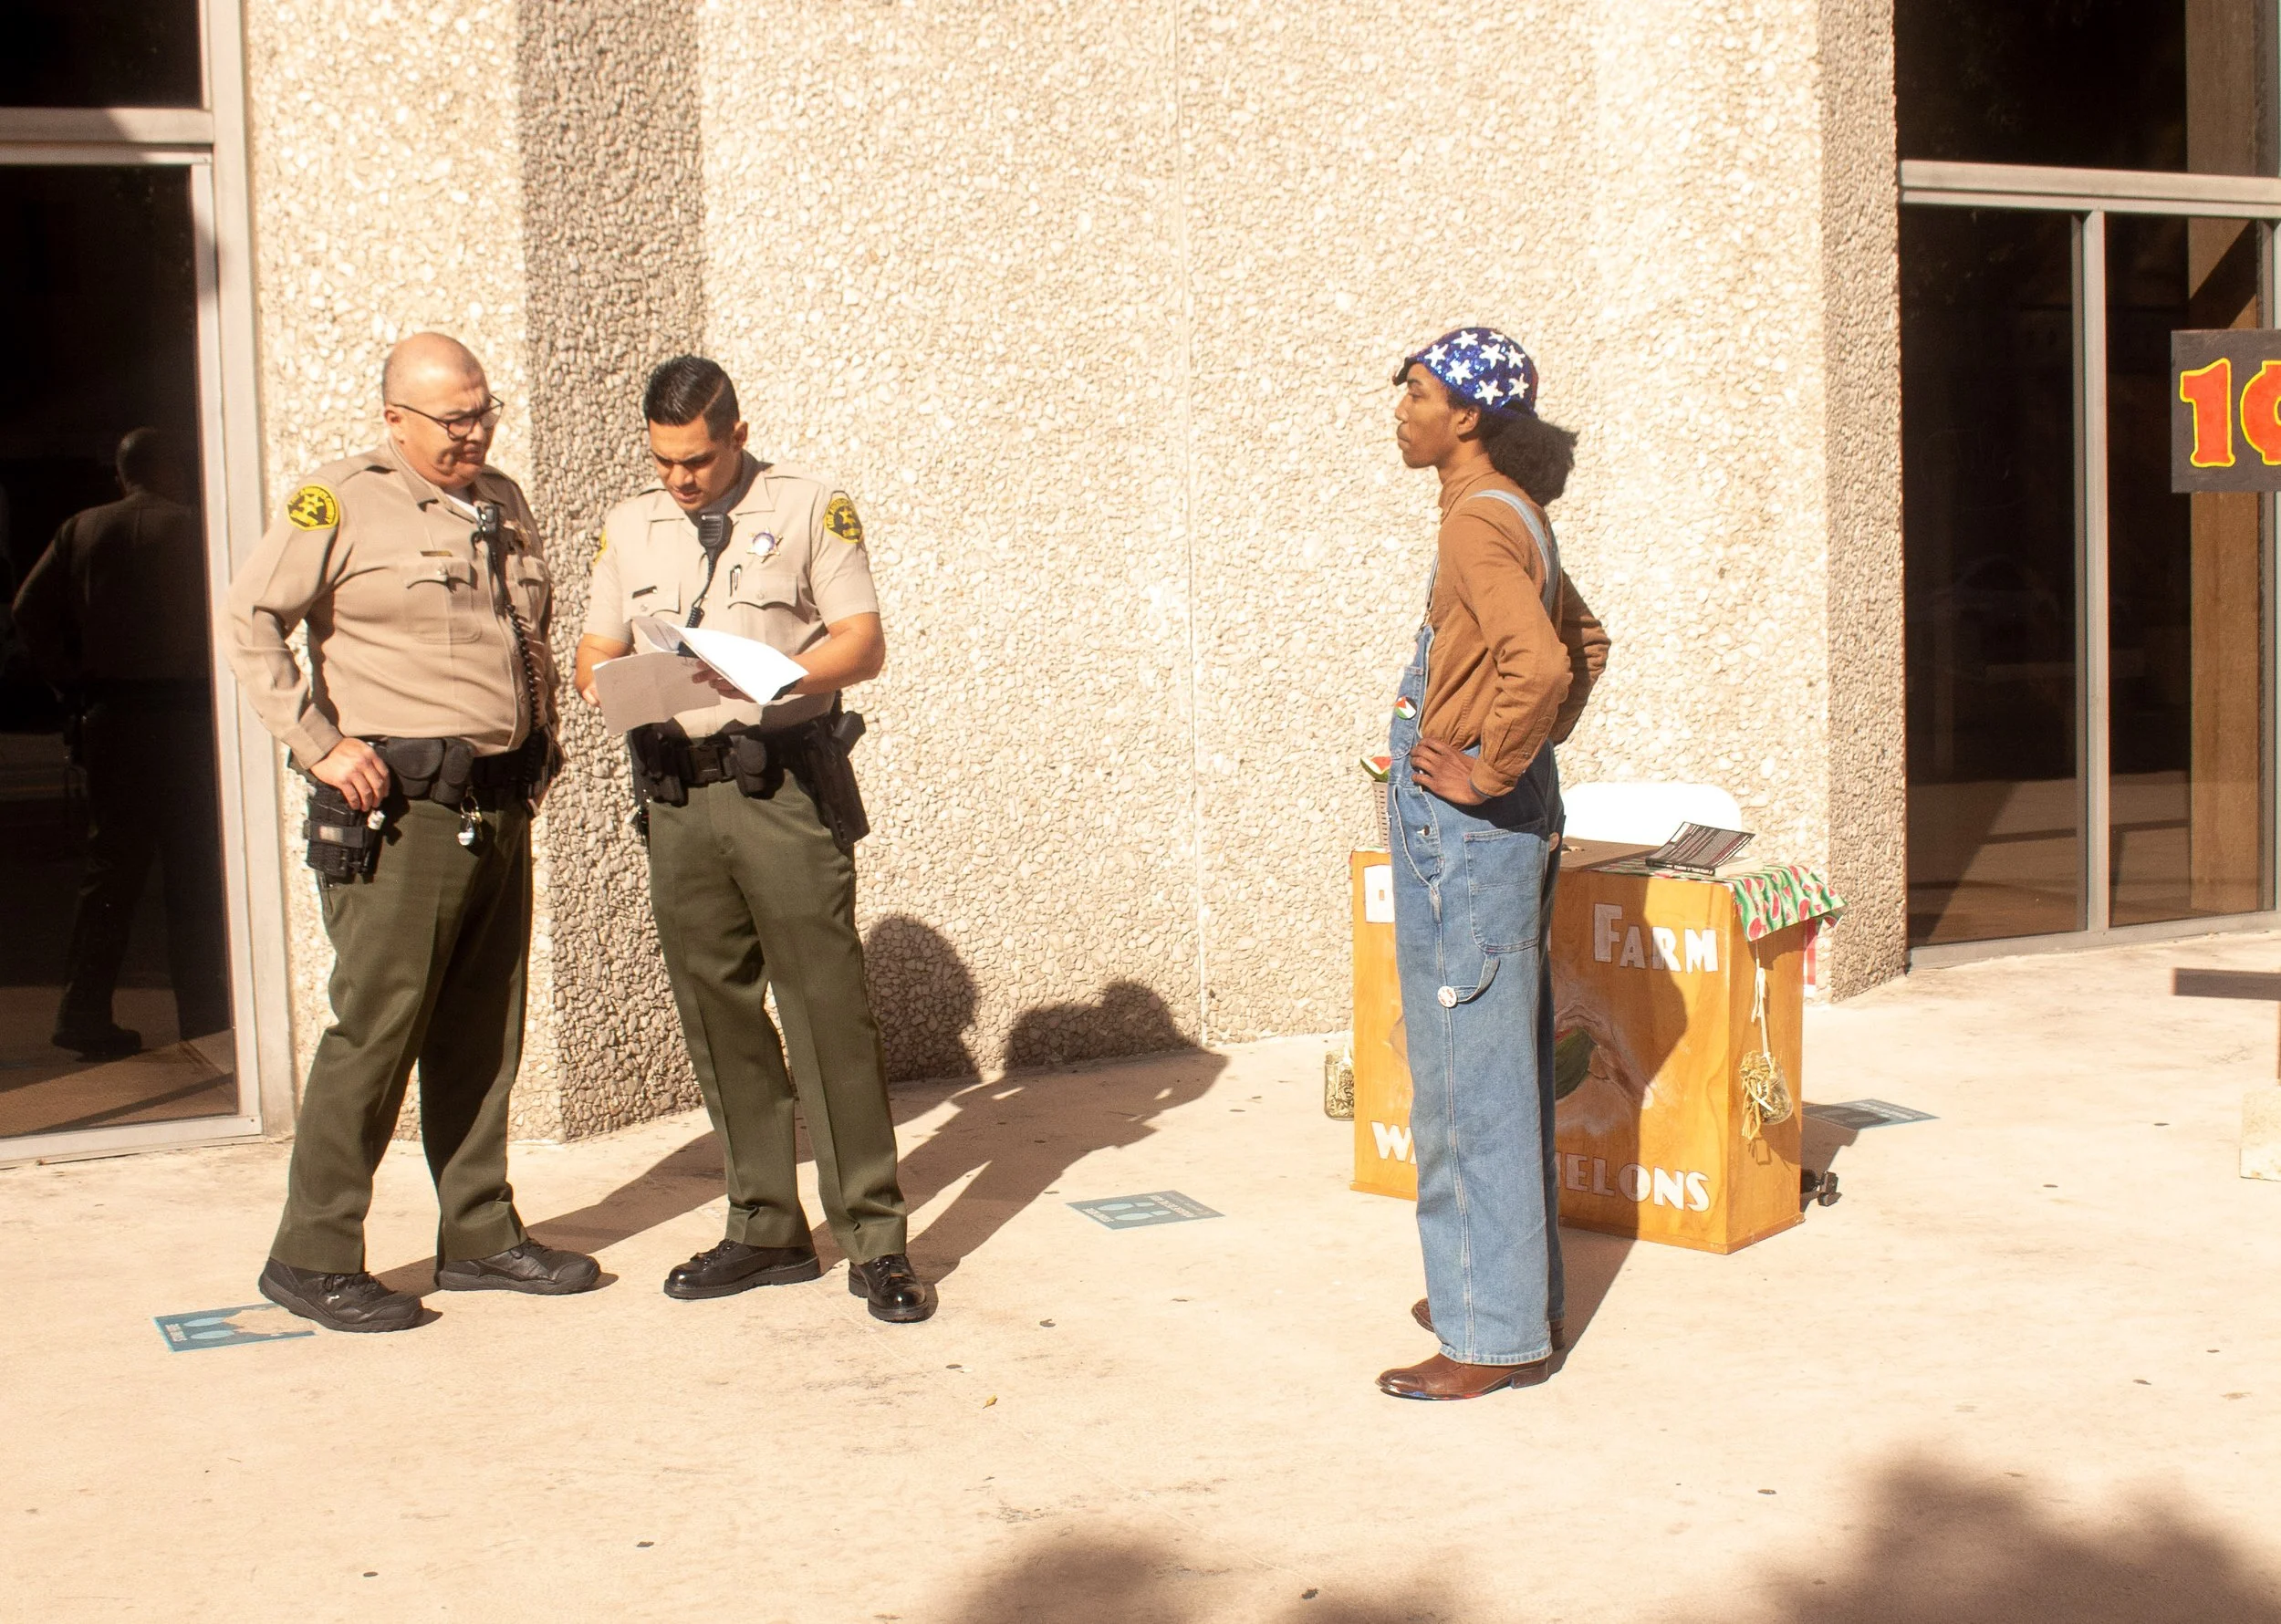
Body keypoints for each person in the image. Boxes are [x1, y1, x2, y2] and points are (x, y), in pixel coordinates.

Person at [224, 331, 598, 1333]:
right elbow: (247, 619)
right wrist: (315, 743)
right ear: (394, 418)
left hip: (496, 803)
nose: (473, 432)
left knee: (485, 1027)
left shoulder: (504, 499)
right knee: (376, 1028)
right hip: (398, 814)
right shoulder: (338, 500)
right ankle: (312, 1252)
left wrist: (538, 747)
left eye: (484, 412)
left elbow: (521, 637)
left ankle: (479, 1232)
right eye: (452, 417)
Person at [573, 354, 932, 1323]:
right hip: (679, 800)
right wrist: (626, 684)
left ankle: (872, 1235)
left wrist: (767, 675)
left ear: (734, 432)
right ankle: (763, 1223)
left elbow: (863, 640)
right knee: (717, 1010)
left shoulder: (812, 504)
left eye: (694, 459)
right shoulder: (628, 524)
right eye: (663, 462)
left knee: (825, 1010)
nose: (679, 480)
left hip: (778, 790)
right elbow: (593, 659)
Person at [1378, 327, 1609, 1400]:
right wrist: (1510, 750)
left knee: (1466, 1077)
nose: (1400, 408)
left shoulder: (1477, 521)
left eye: (1415, 392)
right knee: (1494, 1062)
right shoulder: (1519, 515)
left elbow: (1547, 658)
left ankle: (1489, 1338)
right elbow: (1589, 644)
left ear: (1465, 414)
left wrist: (1483, 766)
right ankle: (1500, 1290)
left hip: (1466, 832)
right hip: (1499, 819)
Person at [11, 428, 229, 1059]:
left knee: (111, 867)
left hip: (113, 713)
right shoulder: (198, 528)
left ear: (122, 473)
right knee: (194, 868)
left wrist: (68, 681)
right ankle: (206, 1015)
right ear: (171, 469)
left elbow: (29, 609)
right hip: (187, 716)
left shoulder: (81, 529)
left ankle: (83, 1010)